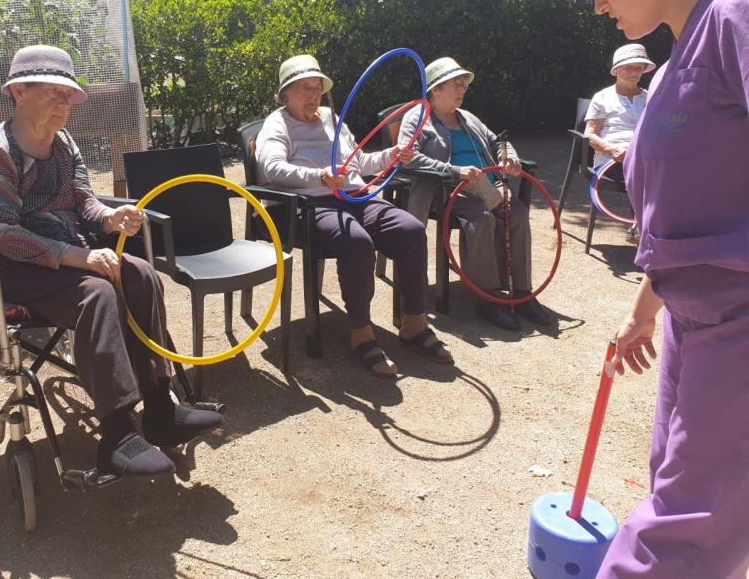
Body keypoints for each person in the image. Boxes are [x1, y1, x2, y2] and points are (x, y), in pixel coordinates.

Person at [578, 0, 749, 578]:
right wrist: (644, 309)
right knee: (677, 495)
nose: (597, 5)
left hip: (737, 321)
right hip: (691, 317)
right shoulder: (682, 54)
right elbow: (694, 210)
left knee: (679, 537)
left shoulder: (738, 9)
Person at [0, 45, 223, 479]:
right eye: (53, 93)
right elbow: (3, 234)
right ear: (18, 91)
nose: (64, 103)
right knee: (97, 294)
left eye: (68, 95)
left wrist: (109, 218)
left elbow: (84, 200)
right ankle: (117, 432)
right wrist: (79, 256)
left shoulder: (64, 143)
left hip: (68, 255)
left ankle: (160, 408)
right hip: (12, 267)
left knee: (142, 275)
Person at [255, 54, 452, 376]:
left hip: (355, 197)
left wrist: (391, 155)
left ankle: (414, 323)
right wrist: (319, 177)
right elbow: (272, 168)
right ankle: (361, 333)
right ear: (285, 93)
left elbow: (358, 163)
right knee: (357, 243)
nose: (313, 95)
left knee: (412, 231)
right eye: (305, 88)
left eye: (317, 88)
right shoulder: (277, 124)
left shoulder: (331, 119)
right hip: (308, 205)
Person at [397, 57, 553, 332]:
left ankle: (521, 293)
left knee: (517, 213)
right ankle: (487, 297)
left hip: (489, 186)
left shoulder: (467, 117)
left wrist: (509, 156)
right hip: (447, 190)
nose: (462, 89)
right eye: (455, 84)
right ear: (435, 90)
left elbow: (497, 141)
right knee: (482, 218)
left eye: (464, 84)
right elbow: (409, 158)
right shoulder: (418, 118)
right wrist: (454, 171)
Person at [585, 44, 656, 243]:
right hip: (612, 161)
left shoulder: (651, 97)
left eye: (638, 67)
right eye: (628, 67)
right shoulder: (602, 97)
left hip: (646, 158)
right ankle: (644, 231)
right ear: (616, 70)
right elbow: (589, 135)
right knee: (645, 172)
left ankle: (652, 230)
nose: (634, 72)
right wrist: (612, 149)